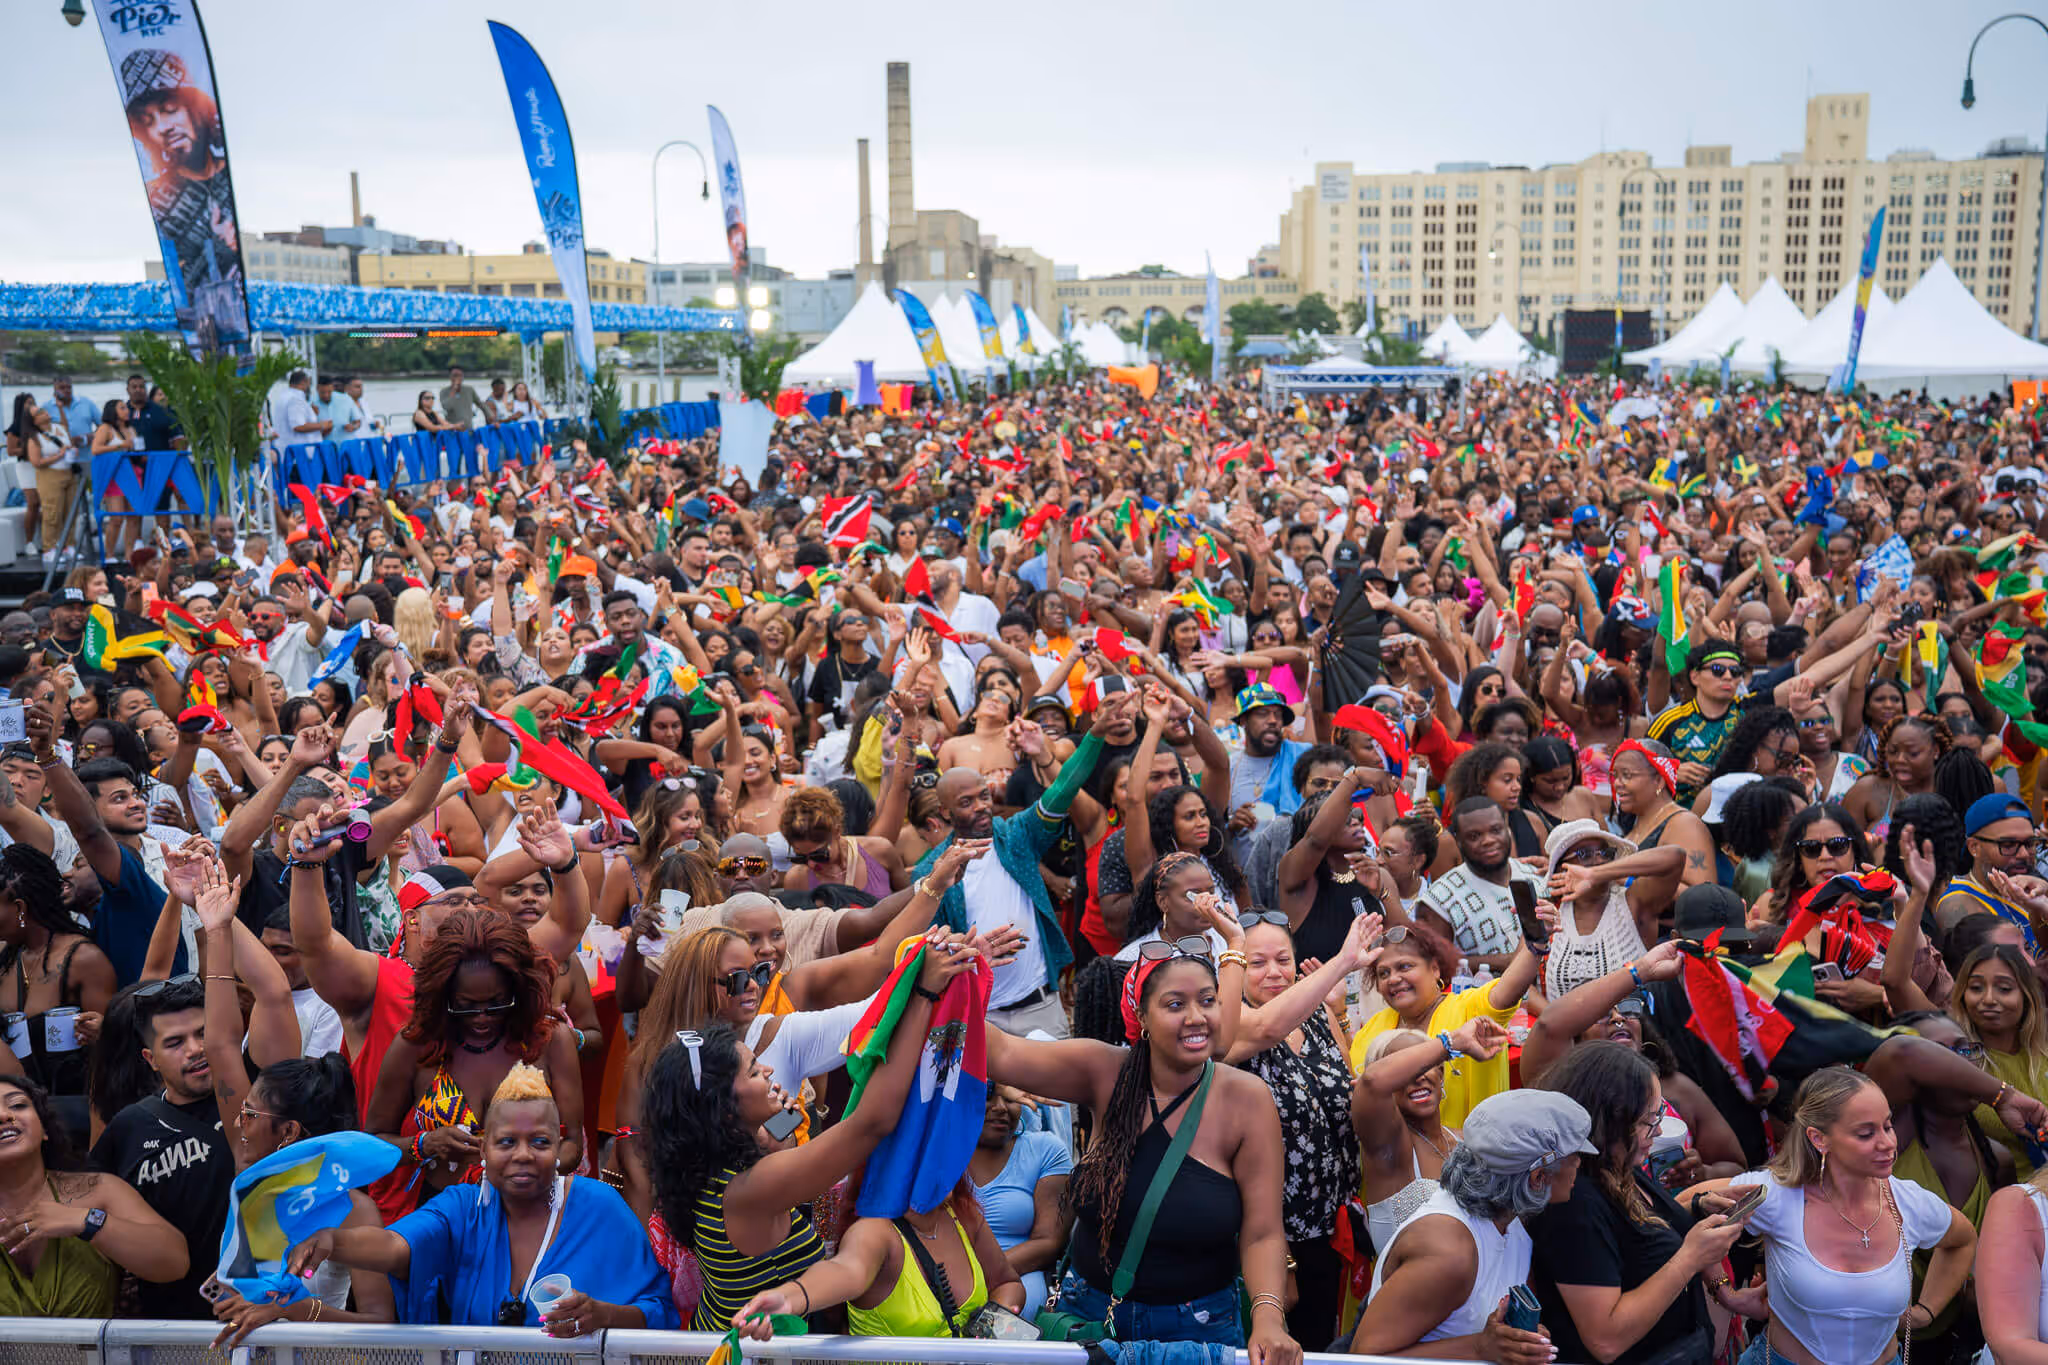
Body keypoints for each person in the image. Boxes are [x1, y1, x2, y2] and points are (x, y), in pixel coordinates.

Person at [641, 927, 982, 1329]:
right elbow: (872, 1122)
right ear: (723, 1108)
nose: (767, 1069)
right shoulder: (751, 1189)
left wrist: (778, 1135)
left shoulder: (714, 1171)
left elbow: (781, 1158)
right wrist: (923, 994)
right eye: (753, 1070)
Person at [979, 941, 1298, 1360]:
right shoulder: (1104, 1072)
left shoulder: (1248, 1100)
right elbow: (998, 1052)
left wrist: (1268, 1318)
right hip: (1092, 1318)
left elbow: (1262, 1232)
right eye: (1175, 1004)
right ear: (1142, 1016)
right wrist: (951, 972)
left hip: (1198, 1329)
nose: (1196, 1017)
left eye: (1208, 1000)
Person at [288, 1063, 675, 1332]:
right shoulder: (462, 1209)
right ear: (483, 1151)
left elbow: (657, 1310)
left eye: (539, 1142)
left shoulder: (600, 1208)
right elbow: (394, 1245)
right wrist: (333, 1241)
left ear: (558, 1148)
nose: (523, 1154)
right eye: (507, 1142)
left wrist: (602, 1315)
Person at [1703, 1067, 1980, 1365]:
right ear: (1819, 1139)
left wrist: (1925, 1312)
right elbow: (1690, 1207)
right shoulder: (1777, 1195)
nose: (1888, 1143)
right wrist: (1724, 1291)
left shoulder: (1908, 1203)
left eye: (1888, 1126)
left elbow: (1962, 1240)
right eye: (1866, 1133)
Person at [1527, 1042, 1744, 1365]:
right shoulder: (1574, 1203)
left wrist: (1696, 1208)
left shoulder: (1614, 1167)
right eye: (1648, 1119)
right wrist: (1690, 1257)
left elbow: (1631, 1238)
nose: (1658, 1130)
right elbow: (1605, 1339)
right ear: (1608, 1120)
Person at [1349, 1088, 1595, 1362]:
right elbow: (1364, 1357)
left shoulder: (1510, 1220)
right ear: (1537, 1178)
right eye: (1573, 1154)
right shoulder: (1449, 1253)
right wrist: (1480, 1347)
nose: (1579, 1162)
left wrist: (1519, 1341)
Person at [86, 974, 235, 1318]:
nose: (196, 1048)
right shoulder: (128, 1127)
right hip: (168, 1326)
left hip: (259, 1317)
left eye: (202, 1033)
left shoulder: (251, 1100)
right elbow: (94, 1204)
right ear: (150, 1059)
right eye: (175, 1042)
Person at [729, 1172, 1026, 1338]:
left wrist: (989, 1327)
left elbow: (1007, 1283)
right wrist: (791, 1298)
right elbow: (846, 1269)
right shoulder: (876, 1232)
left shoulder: (963, 1214)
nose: (945, 1160)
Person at [0, 1073, 187, 1316]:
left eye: (17, 1105)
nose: (4, 1115)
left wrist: (86, 1221)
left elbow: (175, 1262)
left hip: (94, 1354)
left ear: (44, 1128)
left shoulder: (99, 1190)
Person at [966, 1084, 1072, 1320]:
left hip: (1020, 1274)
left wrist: (974, 1276)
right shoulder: (941, 1148)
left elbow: (1048, 1242)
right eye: (987, 1096)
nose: (1001, 1108)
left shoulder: (1046, 1150)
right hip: (945, 1272)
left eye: (1010, 1099)